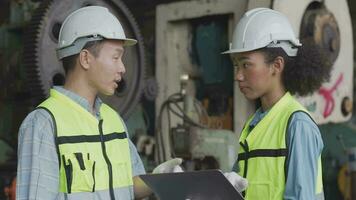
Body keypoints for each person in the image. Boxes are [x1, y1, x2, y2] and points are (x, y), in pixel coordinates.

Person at [16, 6, 183, 200]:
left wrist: (159, 179)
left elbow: (129, 186)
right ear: (86, 58)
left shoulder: (113, 120)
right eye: (115, 57)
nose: (122, 68)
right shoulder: (44, 124)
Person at [223, 8, 328, 200]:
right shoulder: (254, 125)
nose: (238, 76)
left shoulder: (297, 125)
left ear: (277, 65)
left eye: (246, 65)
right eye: (236, 65)